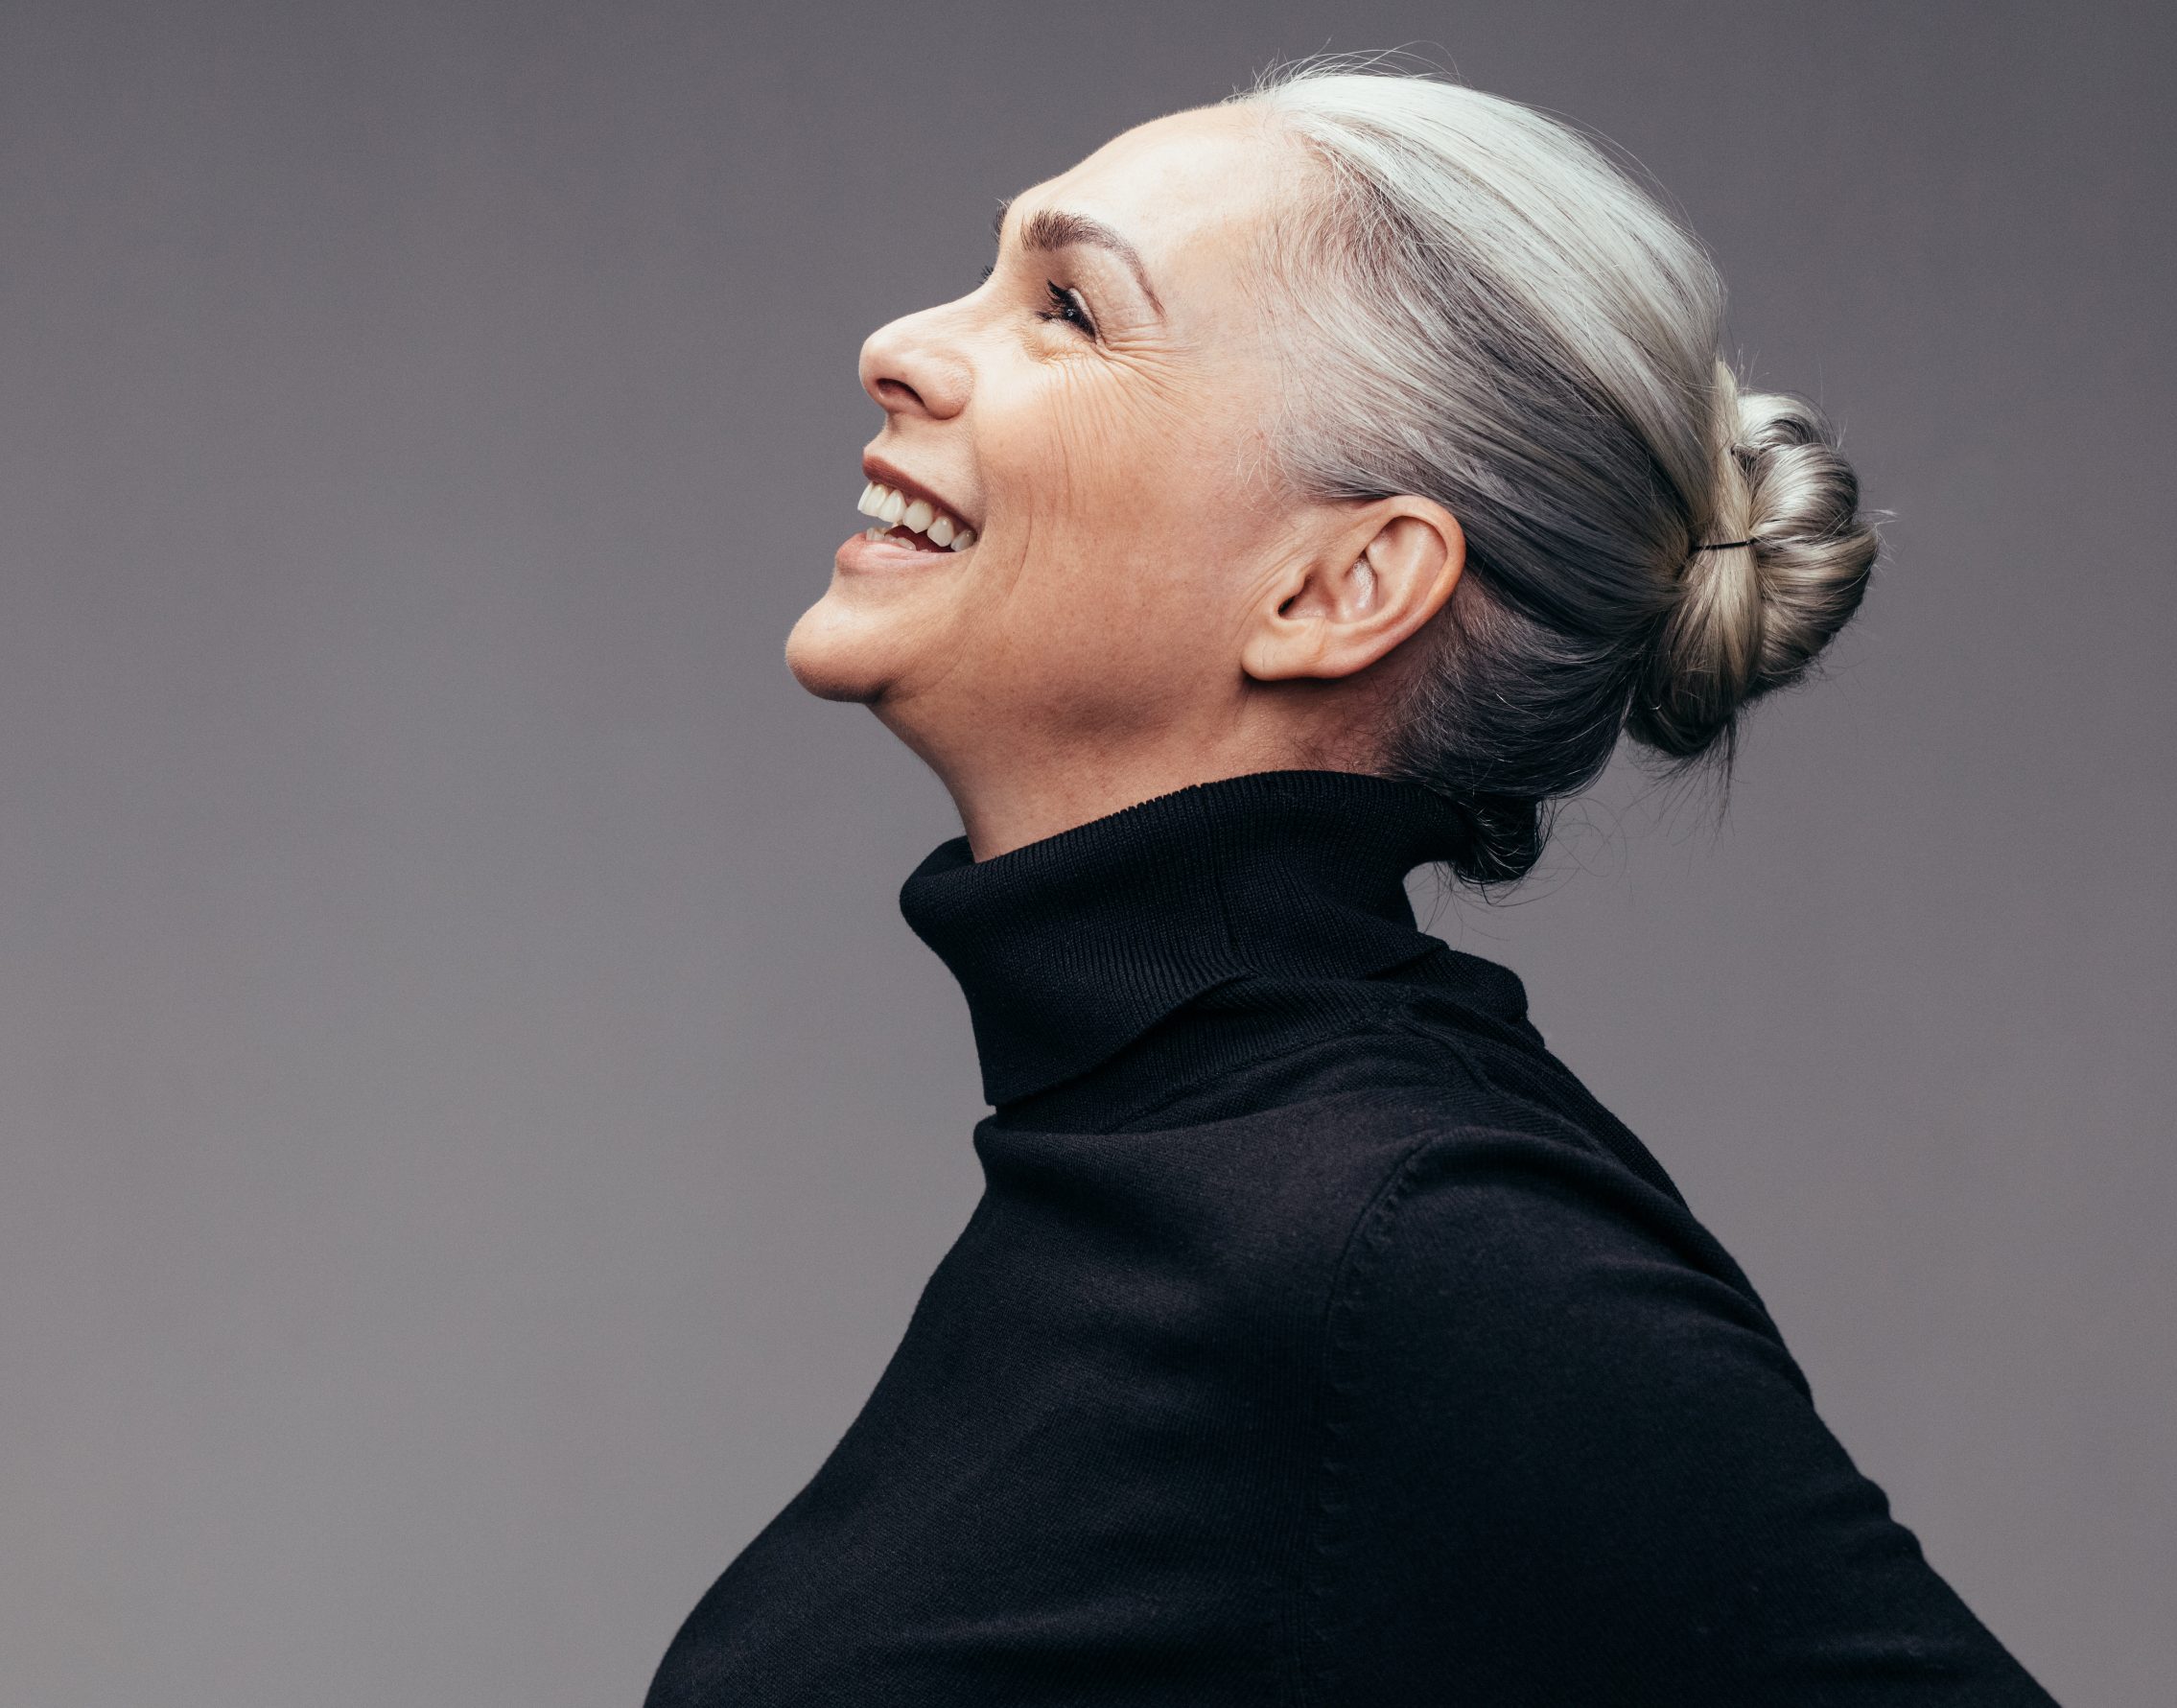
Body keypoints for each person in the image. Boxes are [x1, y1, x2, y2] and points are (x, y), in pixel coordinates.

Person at [645, 56, 2057, 1706]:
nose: (901, 346)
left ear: (1343, 585)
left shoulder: (1401, 1240)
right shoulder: (1181, 1154)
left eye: (1071, 310)